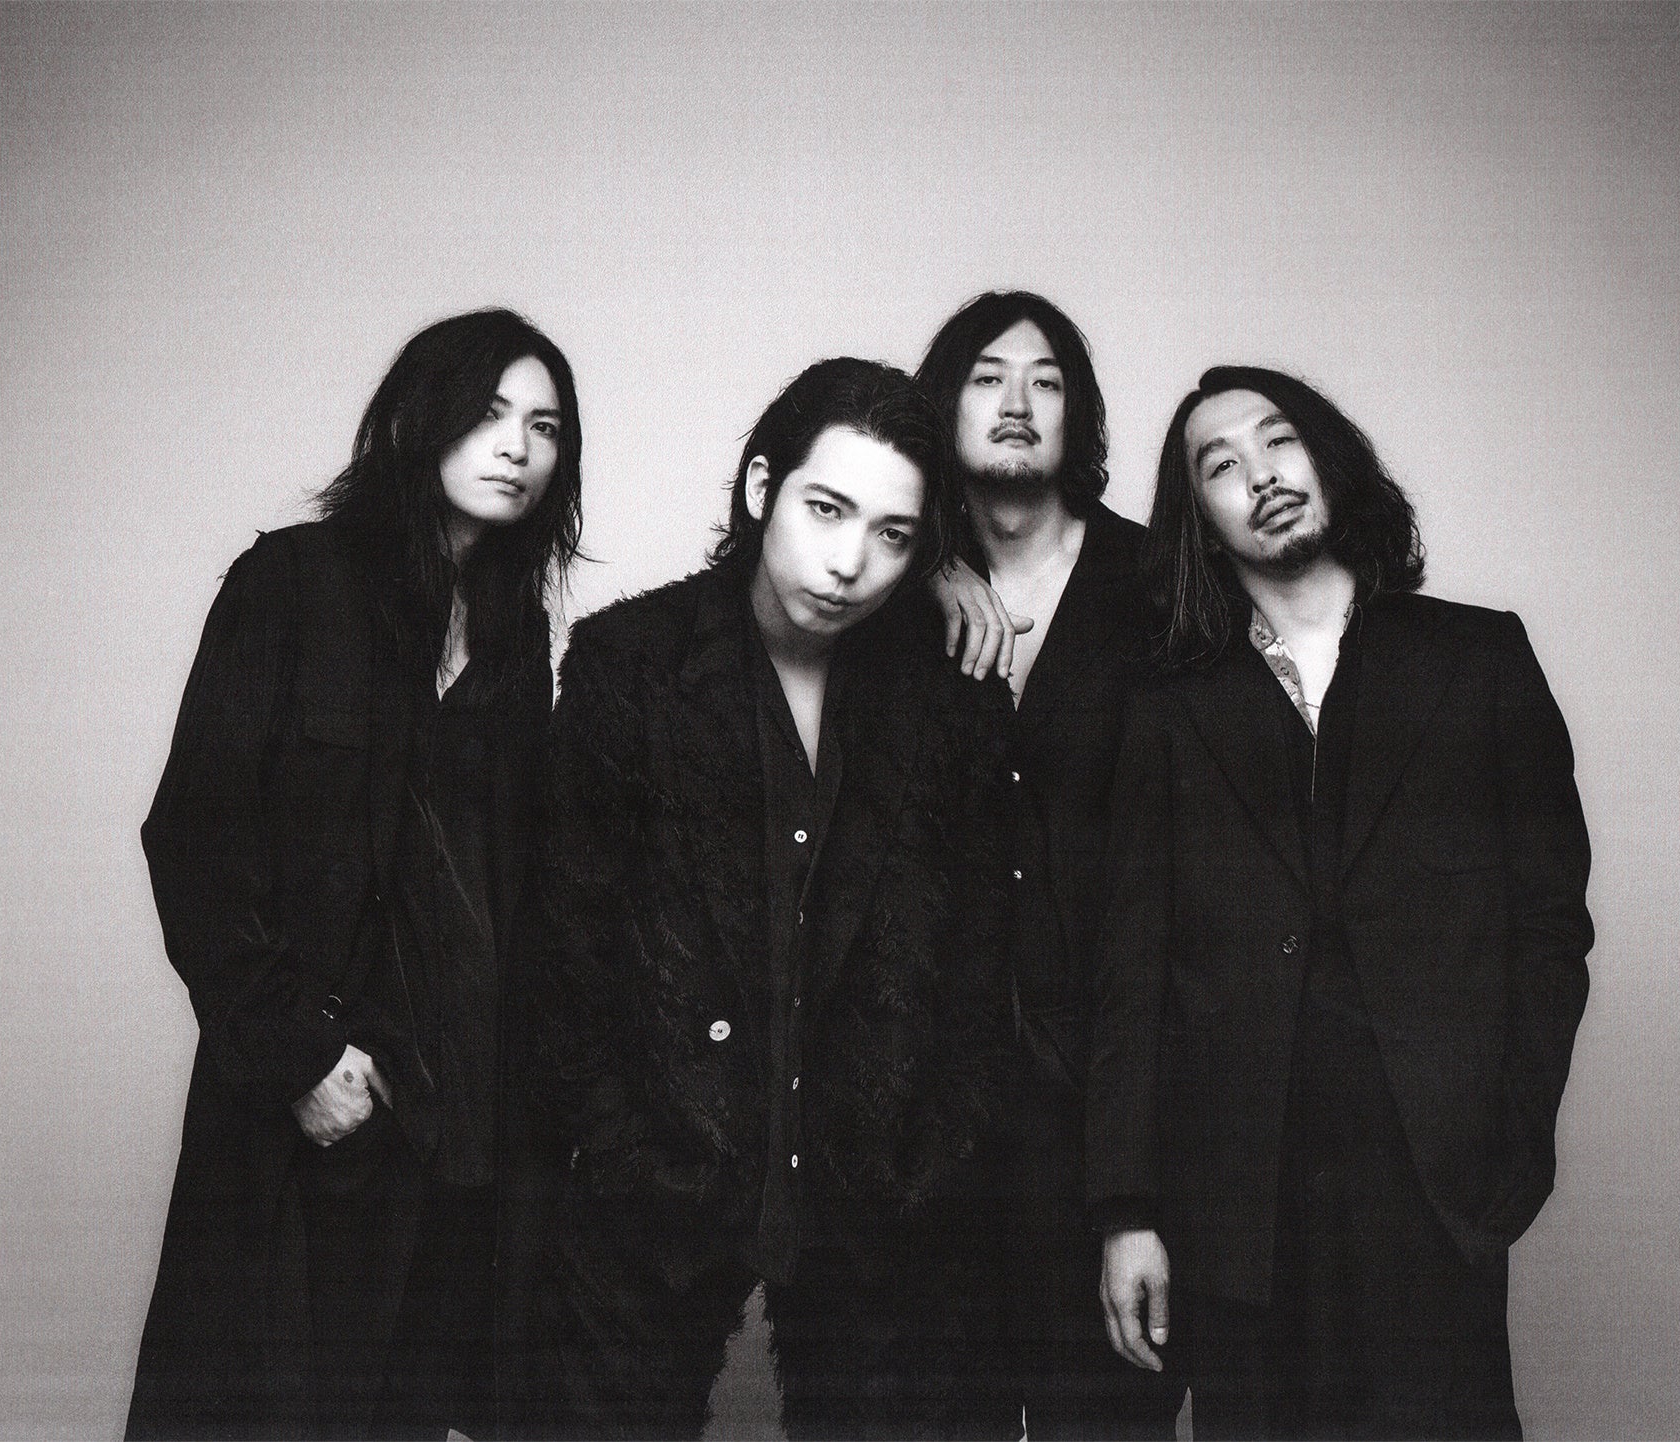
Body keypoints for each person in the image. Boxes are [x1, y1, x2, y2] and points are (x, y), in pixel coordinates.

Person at [506, 358, 1014, 1440]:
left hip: (879, 1200)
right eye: (826, 508)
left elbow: (981, 970)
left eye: (891, 534)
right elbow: (564, 947)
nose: (849, 562)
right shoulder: (627, 666)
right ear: (759, 488)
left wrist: (932, 1157)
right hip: (653, 1187)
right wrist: (624, 1148)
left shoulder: (952, 699)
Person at [1089, 367, 1593, 1439]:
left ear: (1329, 460)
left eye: (1279, 441)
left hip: (1434, 1182)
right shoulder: (1167, 709)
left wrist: (1515, 1138)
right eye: (1220, 465)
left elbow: (1550, 923)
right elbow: (1129, 969)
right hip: (1235, 1205)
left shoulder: (1478, 657)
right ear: (1200, 520)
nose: (1261, 474)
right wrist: (1126, 1209)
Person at [126, 308, 583, 1440]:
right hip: (308, 1106)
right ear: (419, 419)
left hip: (456, 1136)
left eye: (545, 426)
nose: (518, 446)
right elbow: (194, 837)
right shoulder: (290, 584)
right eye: (489, 413)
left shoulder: (519, 639)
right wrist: (301, 1058)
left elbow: (515, 885)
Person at [913, 291, 1185, 1440]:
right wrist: (923, 568)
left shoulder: (1162, 584)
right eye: (988, 375)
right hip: (930, 1130)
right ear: (942, 406)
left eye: (1047, 378)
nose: (1018, 400)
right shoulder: (883, 587)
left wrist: (1137, 1192)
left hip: (1113, 1114)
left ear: (1080, 414)